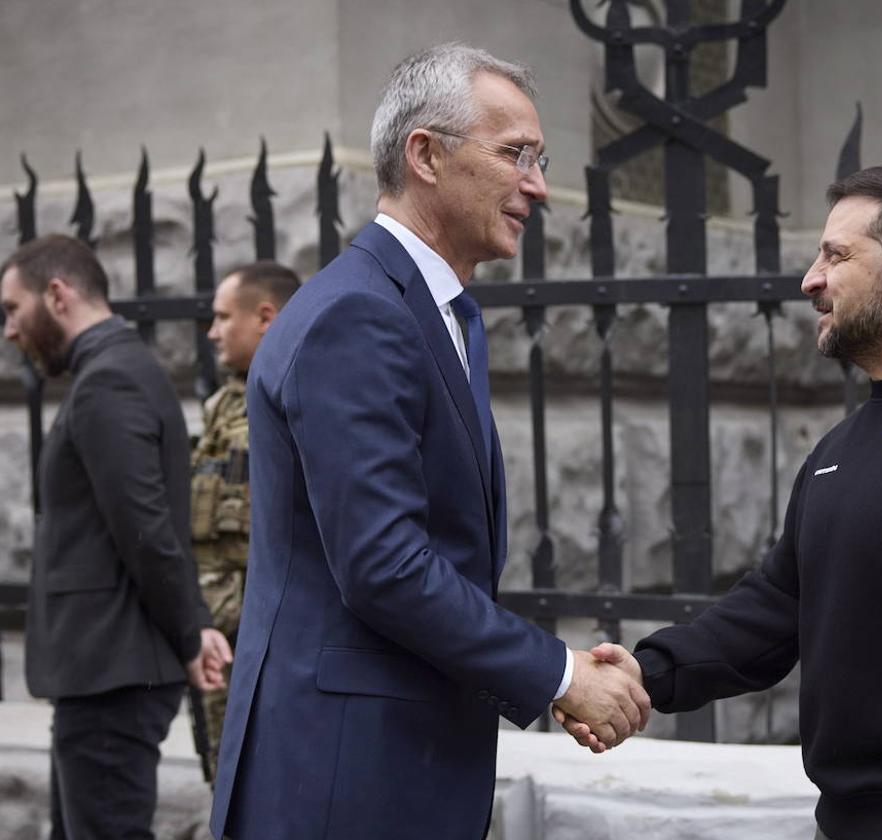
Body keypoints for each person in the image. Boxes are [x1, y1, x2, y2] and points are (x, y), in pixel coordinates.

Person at [559, 164, 882, 840]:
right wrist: (647, 672)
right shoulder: (844, 444)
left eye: (836, 255)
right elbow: (778, 608)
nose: (811, 279)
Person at [209, 43, 649, 840]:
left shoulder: (436, 311)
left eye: (540, 159)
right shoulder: (359, 314)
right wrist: (559, 673)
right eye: (516, 154)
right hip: (344, 780)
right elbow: (384, 565)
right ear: (427, 156)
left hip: (391, 768)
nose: (539, 185)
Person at [0, 234, 232, 839]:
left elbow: (145, 526)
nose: (9, 330)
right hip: (103, 671)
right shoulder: (110, 371)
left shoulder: (110, 380)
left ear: (57, 294)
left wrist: (190, 632)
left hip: (113, 673)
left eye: (12, 309)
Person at [190, 261, 299, 782]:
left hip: (269, 643)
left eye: (220, 317)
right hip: (217, 637)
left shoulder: (298, 395)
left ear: (264, 317)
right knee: (222, 779)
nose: (211, 332)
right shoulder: (221, 405)